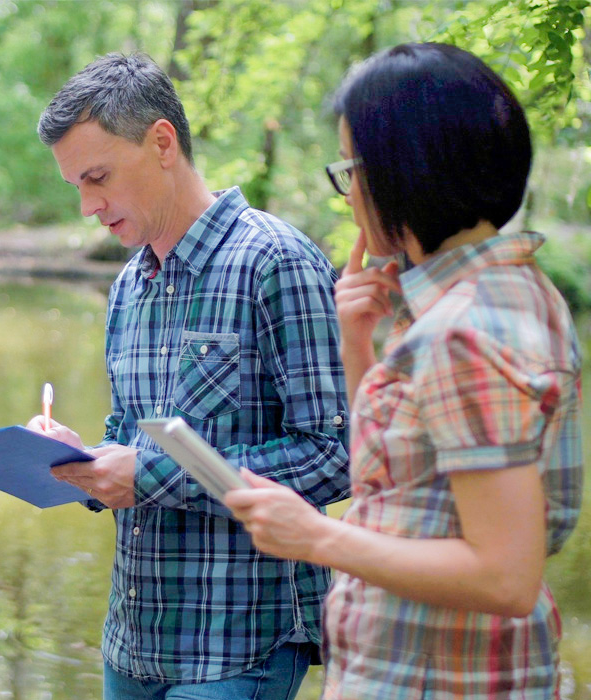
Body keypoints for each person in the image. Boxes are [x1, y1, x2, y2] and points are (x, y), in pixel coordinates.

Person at [225, 43, 583, 698]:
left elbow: (504, 576)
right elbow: (410, 489)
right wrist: (358, 345)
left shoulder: (464, 333)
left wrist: (317, 536)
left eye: (351, 169)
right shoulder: (508, 293)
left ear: (404, 168)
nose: (349, 193)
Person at [29, 52, 351, 698]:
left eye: (98, 178)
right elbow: (128, 441)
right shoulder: (127, 286)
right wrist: (83, 462)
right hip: (132, 642)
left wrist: (145, 474)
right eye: (77, 188)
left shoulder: (276, 261)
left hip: (238, 646)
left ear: (162, 143)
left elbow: (333, 458)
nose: (89, 206)